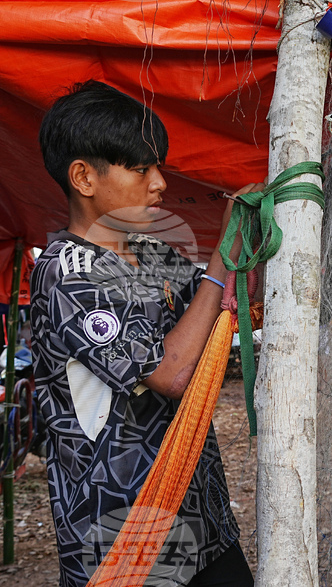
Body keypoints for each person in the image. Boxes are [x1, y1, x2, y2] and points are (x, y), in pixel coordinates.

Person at [30, 80, 262, 587]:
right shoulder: (65, 272)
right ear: (84, 177)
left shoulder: (153, 254)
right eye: (141, 169)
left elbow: (217, 307)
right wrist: (224, 253)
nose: (159, 183)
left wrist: (253, 235)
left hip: (204, 525)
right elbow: (172, 373)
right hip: (127, 546)